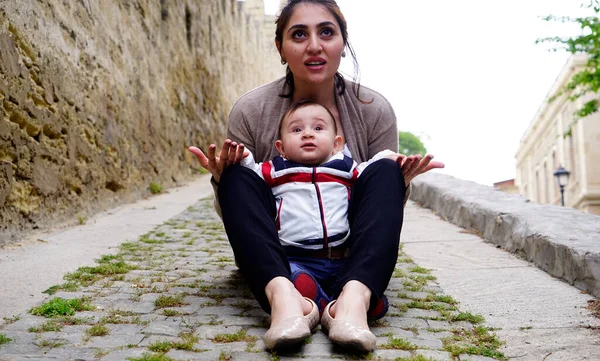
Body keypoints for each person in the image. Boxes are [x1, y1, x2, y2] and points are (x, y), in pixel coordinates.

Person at [188, 0, 445, 352]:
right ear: (280, 47)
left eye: (326, 32)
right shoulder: (251, 111)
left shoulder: (374, 111)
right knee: (236, 174)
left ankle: (352, 303)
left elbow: (380, 205)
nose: (314, 45)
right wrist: (223, 180)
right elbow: (238, 212)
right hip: (281, 258)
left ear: (342, 41)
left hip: (351, 254)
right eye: (298, 34)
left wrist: (400, 180)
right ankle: (286, 300)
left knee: (386, 168)